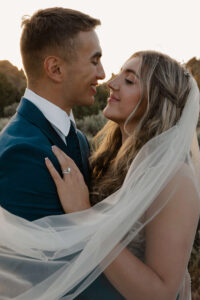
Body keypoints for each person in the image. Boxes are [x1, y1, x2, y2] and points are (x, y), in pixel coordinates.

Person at [0, 51, 199, 299]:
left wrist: (84, 214)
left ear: (156, 100)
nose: (111, 83)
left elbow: (161, 293)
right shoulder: (109, 160)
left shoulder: (174, 179)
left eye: (129, 81)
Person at [0, 7, 125, 300]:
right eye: (94, 61)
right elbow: (44, 278)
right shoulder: (23, 153)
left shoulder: (77, 139)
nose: (103, 74)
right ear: (55, 69)